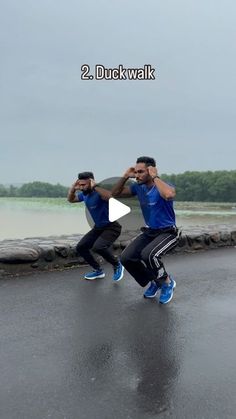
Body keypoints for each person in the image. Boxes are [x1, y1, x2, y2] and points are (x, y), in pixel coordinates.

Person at [112, 156, 178, 304]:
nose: (137, 175)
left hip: (168, 232)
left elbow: (168, 194)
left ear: (150, 170)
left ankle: (167, 282)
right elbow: (115, 194)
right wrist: (124, 177)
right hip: (150, 232)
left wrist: (155, 177)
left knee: (149, 255)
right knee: (126, 258)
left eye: (141, 172)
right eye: (135, 172)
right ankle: (154, 281)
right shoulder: (138, 187)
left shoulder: (163, 185)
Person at [68, 171, 124, 281]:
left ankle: (117, 264)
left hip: (112, 227)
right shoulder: (85, 195)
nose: (81, 187)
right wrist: (73, 188)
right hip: (98, 228)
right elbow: (71, 199)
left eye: (84, 185)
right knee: (81, 247)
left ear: (91, 182)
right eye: (80, 185)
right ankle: (98, 270)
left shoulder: (99, 193)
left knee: (98, 247)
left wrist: (96, 186)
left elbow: (110, 197)